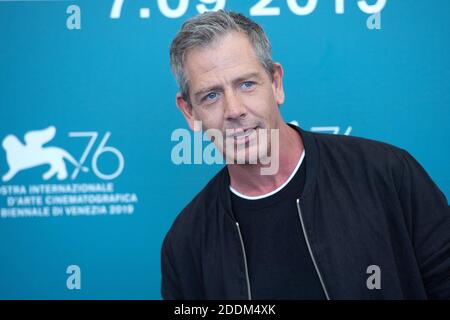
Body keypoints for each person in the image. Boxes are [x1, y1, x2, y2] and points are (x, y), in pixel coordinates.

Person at [161, 10, 450, 300]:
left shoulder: (387, 173)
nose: (234, 110)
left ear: (276, 84)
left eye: (246, 84)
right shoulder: (186, 244)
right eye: (211, 95)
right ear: (189, 112)